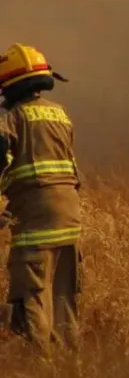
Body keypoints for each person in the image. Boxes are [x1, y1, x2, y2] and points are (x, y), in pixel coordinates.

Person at [0, 43, 81, 355]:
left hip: (36, 222)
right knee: (63, 299)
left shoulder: (12, 120)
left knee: (32, 299)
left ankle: (41, 368)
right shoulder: (60, 115)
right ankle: (71, 366)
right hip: (70, 220)